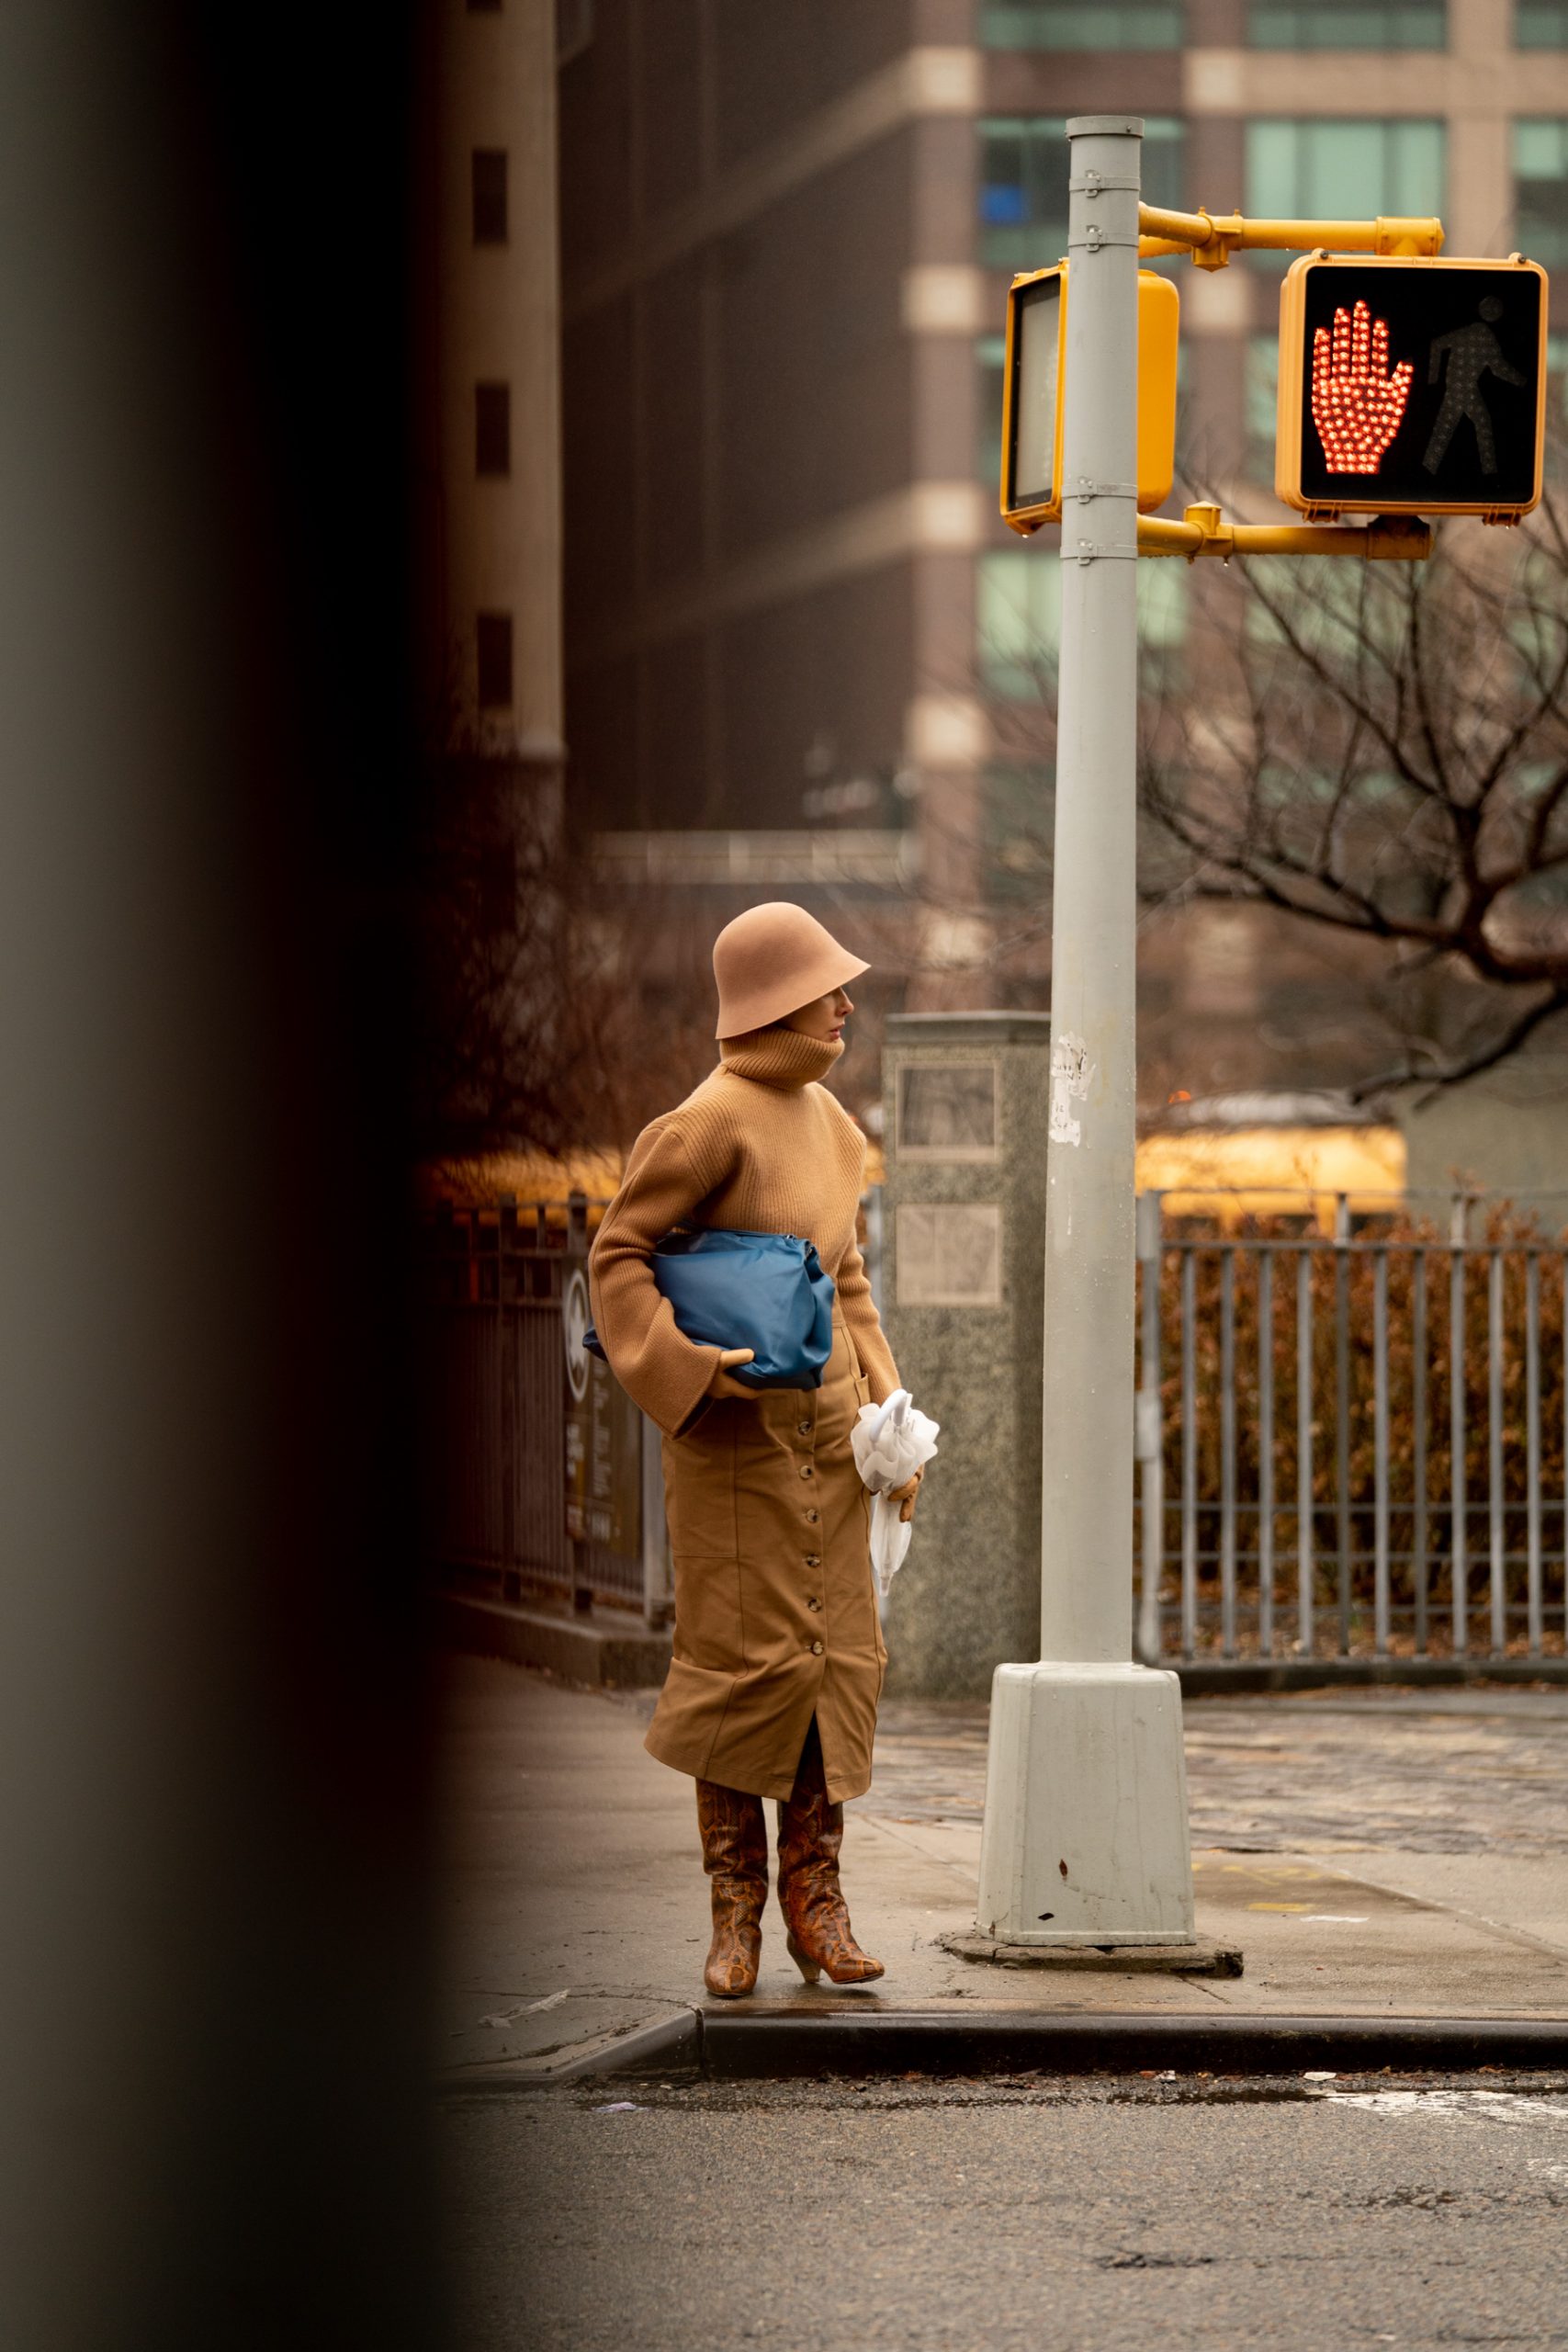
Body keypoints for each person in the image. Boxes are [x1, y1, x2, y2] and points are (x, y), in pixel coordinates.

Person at [588, 902, 922, 1998]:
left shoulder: (834, 1125)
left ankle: (815, 1908)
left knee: (835, 1665)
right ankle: (733, 1916)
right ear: (774, 998)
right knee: (742, 1672)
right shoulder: (701, 1125)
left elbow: (850, 1278)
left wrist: (893, 1420)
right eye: (827, 987)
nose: (844, 1004)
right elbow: (619, 1256)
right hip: (732, 1445)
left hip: (830, 1443)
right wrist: (688, 1369)